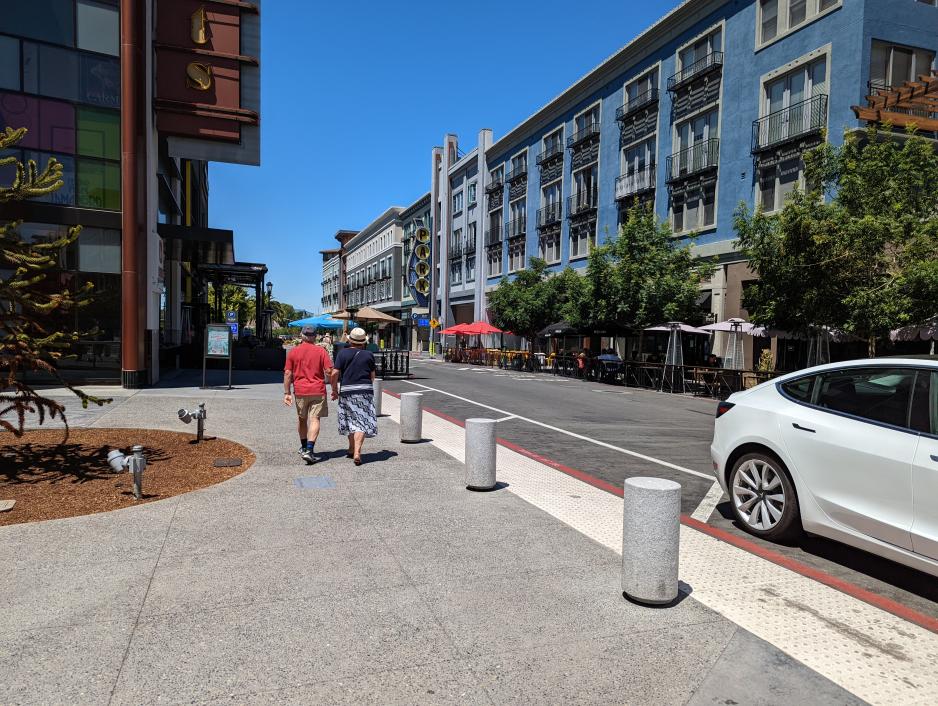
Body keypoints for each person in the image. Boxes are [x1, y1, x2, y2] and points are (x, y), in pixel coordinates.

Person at [283, 325, 338, 464]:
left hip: (300, 391)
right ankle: (309, 450)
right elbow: (329, 372)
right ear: (314, 337)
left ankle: (303, 447)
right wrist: (334, 388)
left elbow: (288, 373)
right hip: (317, 390)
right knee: (315, 419)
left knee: (302, 419)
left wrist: (287, 392)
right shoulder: (321, 351)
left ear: (302, 336)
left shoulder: (293, 352)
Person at [332, 327, 377, 466]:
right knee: (361, 421)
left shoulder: (342, 354)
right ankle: (356, 451)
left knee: (349, 420)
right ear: (363, 342)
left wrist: (334, 389)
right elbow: (372, 376)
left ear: (350, 340)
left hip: (347, 391)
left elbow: (334, 373)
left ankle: (352, 449)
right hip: (365, 391)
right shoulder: (369, 355)